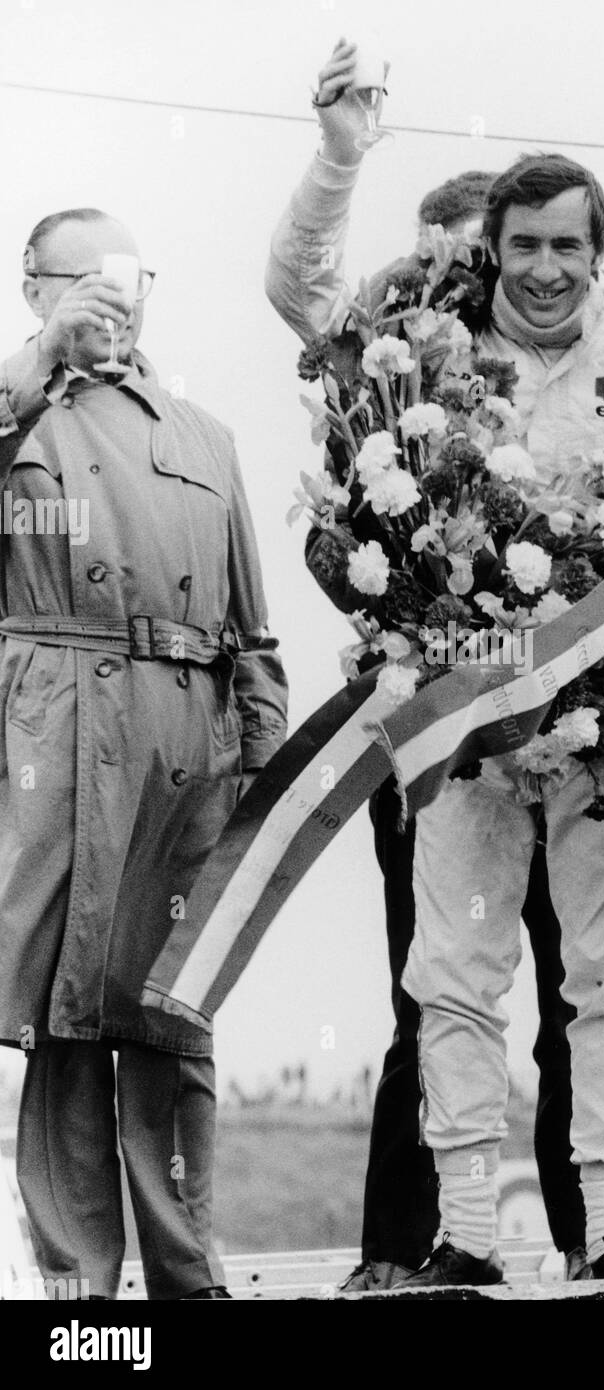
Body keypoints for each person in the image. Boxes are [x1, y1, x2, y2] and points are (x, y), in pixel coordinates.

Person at [266, 39, 604, 1287]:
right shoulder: (421, 352)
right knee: (454, 977)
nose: (546, 270)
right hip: (468, 736)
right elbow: (295, 286)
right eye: (524, 245)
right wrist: (337, 157)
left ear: (601, 254)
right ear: (493, 247)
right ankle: (467, 1234)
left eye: (569, 249)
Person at [0, 208, 288, 1299]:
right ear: (37, 288)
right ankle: (78, 1274)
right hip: (59, 729)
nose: (113, 302)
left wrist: (260, 750)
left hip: (187, 740)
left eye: (129, 281)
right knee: (70, 1005)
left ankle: (186, 1268)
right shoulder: (17, 414)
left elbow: (250, 621)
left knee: (176, 1001)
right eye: (86, 283)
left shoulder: (204, 435)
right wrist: (41, 356)